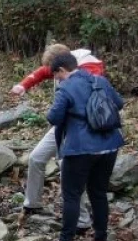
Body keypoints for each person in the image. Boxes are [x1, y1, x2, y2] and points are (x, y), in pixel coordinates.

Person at [11, 44, 105, 229]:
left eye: (55, 72)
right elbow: (41, 72)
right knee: (36, 158)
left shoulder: (89, 69)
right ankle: (32, 204)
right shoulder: (62, 66)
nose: (53, 76)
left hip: (81, 128)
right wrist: (23, 85)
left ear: (62, 66)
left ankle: (82, 220)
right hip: (61, 124)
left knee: (68, 170)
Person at [45, 52, 124, 241]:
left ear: (62, 70)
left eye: (56, 75)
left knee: (72, 195)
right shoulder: (100, 80)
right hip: (109, 145)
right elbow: (119, 103)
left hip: (80, 148)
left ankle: (66, 240)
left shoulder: (66, 87)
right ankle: (100, 239)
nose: (57, 79)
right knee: (98, 193)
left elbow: (54, 117)